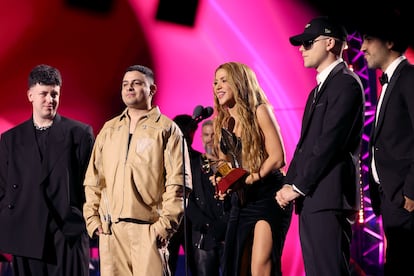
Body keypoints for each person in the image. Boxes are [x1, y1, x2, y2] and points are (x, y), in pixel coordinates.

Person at [275, 16, 365, 276]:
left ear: (329, 43)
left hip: (329, 196)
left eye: (307, 43)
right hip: (314, 198)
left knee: (329, 270)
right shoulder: (316, 91)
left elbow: (330, 143)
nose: (301, 49)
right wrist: (287, 185)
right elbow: (306, 145)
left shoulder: (346, 83)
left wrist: (297, 186)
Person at [82, 64, 192, 276]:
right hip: (111, 232)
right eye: (125, 84)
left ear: (152, 90)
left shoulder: (168, 130)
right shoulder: (110, 129)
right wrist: (93, 220)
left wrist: (164, 227)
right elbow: (94, 179)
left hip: (148, 230)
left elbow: (178, 184)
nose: (129, 88)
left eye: (137, 83)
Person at [0, 64, 95, 275]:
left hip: (68, 234)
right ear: (30, 95)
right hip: (25, 236)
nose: (50, 100)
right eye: (44, 93)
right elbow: (2, 187)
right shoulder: (10, 140)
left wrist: (82, 224)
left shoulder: (79, 134)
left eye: (55, 94)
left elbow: (92, 186)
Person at [212, 61, 292, 276]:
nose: (217, 86)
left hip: (269, 196)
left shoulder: (261, 111)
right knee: (236, 265)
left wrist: (252, 177)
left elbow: (278, 157)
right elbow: (223, 163)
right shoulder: (224, 122)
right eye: (215, 82)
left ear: (239, 82)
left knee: (260, 266)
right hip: (242, 200)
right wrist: (222, 180)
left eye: (223, 80)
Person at [359, 11, 414, 275]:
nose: (363, 47)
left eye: (369, 39)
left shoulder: (409, 78)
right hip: (391, 199)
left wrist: (411, 192)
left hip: (405, 199)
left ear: (390, 41)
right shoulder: (390, 82)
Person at [171, 114, 230, 276]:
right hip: (204, 236)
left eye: (213, 134)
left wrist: (224, 225)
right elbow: (187, 200)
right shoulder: (193, 162)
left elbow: (234, 197)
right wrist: (208, 226)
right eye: (206, 134)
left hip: (226, 235)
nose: (210, 139)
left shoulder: (227, 165)